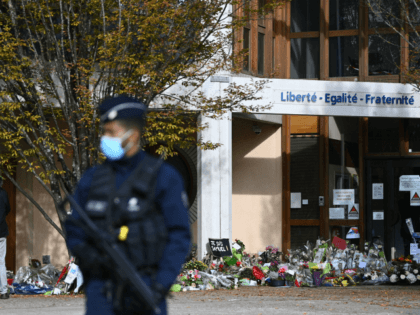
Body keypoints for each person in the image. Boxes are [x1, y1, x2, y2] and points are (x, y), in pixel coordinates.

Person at [64, 96, 191, 314]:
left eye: (111, 132)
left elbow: (179, 235)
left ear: (133, 135)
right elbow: (75, 227)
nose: (105, 138)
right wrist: (88, 257)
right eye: (104, 132)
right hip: (102, 289)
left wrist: (160, 284)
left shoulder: (163, 177)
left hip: (146, 287)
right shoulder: (93, 178)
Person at [0, 178, 11, 299]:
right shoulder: (3, 193)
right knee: (1, 262)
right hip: (1, 231)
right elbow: (8, 209)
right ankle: (3, 290)